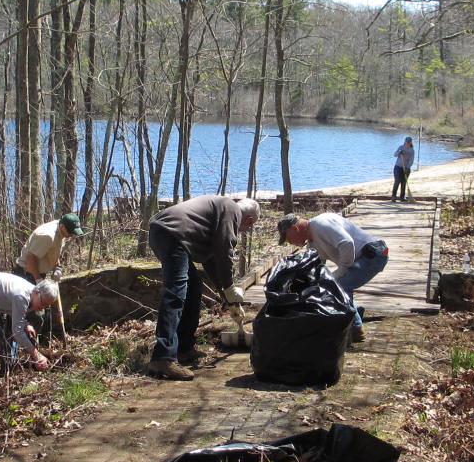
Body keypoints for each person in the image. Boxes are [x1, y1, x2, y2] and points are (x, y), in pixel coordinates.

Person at [146, 195, 260, 380]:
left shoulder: (220, 210)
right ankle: (162, 358)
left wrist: (225, 295)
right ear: (249, 220)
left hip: (166, 231)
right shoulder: (232, 209)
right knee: (176, 293)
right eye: (248, 227)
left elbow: (211, 260)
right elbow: (225, 251)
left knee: (193, 287)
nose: (244, 230)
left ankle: (183, 347)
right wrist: (230, 287)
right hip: (172, 234)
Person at [276, 212, 389, 342]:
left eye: (288, 238)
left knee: (340, 287)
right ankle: (353, 321)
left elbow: (346, 243)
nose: (291, 243)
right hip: (363, 257)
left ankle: (355, 329)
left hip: (374, 254)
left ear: (295, 229)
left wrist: (341, 270)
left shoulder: (321, 224)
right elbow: (315, 266)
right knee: (338, 286)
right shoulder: (312, 242)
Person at [17, 211, 83, 282]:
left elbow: (52, 250)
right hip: (26, 275)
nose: (72, 235)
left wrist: (57, 268)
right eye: (70, 232)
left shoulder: (61, 232)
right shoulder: (47, 236)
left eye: (74, 233)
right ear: (62, 226)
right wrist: (38, 280)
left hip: (36, 274)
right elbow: (30, 258)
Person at [391, 136, 415, 201]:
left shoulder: (411, 150)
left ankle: (402, 197)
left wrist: (407, 167)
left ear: (411, 142)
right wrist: (399, 152)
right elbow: (395, 155)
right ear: (405, 141)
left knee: (403, 182)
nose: (408, 143)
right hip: (398, 167)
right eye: (407, 141)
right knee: (397, 181)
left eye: (409, 142)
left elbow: (411, 160)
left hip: (406, 168)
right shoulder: (401, 147)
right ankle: (393, 196)